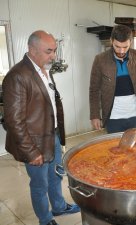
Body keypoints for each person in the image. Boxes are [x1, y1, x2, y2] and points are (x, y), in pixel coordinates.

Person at [2, 30, 80, 225]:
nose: (53, 56)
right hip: (34, 142)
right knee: (39, 184)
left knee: (55, 176)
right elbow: (14, 120)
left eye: (54, 50)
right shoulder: (17, 76)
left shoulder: (44, 69)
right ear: (31, 49)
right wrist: (31, 151)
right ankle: (45, 220)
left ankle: (59, 207)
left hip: (50, 134)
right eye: (48, 51)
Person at [89, 24, 136, 133]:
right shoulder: (100, 59)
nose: (121, 51)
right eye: (117, 46)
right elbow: (94, 89)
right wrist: (95, 115)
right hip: (113, 118)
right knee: (115, 149)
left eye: (125, 47)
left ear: (130, 42)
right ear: (111, 41)